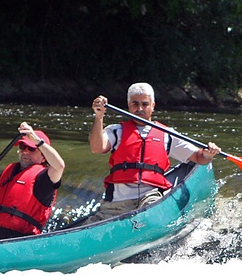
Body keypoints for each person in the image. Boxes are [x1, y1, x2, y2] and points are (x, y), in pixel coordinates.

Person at [89, 83, 220, 222]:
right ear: (129, 105)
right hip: (117, 202)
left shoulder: (167, 135)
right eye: (135, 104)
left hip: (149, 198)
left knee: (151, 210)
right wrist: (99, 117)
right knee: (93, 225)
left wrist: (208, 154)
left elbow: (199, 158)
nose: (140, 108)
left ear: (153, 106)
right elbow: (97, 148)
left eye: (145, 104)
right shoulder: (116, 131)